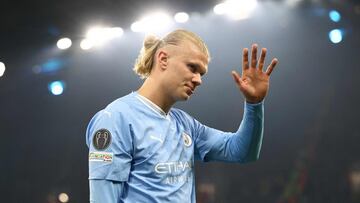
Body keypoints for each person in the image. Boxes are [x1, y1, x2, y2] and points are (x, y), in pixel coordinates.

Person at [86, 29, 278, 202]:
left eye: (202, 73)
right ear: (163, 59)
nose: (198, 80)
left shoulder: (185, 125)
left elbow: (243, 152)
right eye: (192, 68)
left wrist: (254, 104)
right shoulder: (115, 119)